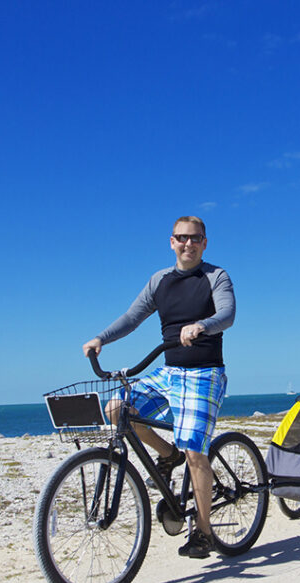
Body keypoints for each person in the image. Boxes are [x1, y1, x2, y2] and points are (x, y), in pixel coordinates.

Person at [82, 216, 235, 559]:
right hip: (169, 372)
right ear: (171, 242)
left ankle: (204, 533)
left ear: (204, 243)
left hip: (204, 374)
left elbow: (227, 315)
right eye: (181, 238)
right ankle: (168, 454)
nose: (188, 244)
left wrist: (202, 325)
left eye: (195, 238)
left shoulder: (216, 276)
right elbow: (132, 318)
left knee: (196, 450)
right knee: (117, 410)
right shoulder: (159, 281)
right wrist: (100, 339)